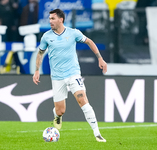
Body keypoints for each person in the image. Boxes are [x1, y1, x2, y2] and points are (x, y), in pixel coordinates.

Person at [33, 9, 107, 142]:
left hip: (73, 74)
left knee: (82, 99)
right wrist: (37, 70)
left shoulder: (73, 33)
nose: (50, 21)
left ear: (61, 19)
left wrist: (100, 58)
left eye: (53, 18)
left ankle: (97, 133)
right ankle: (57, 116)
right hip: (57, 77)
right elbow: (40, 53)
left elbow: (89, 41)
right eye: (49, 19)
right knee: (61, 110)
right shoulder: (46, 36)